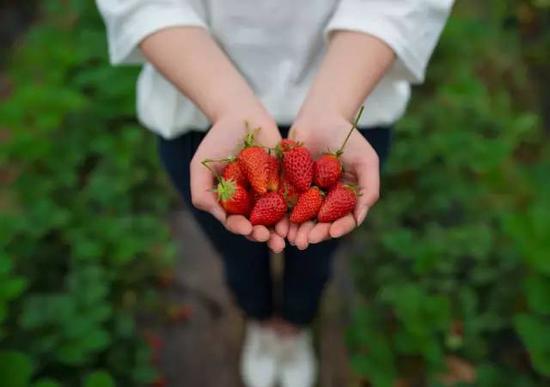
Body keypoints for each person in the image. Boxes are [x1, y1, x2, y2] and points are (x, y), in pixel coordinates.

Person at [97, 1, 453, 386]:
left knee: (316, 255)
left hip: (347, 100)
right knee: (237, 255)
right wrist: (229, 107)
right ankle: (260, 320)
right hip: (200, 107)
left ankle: (295, 326)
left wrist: (332, 107)